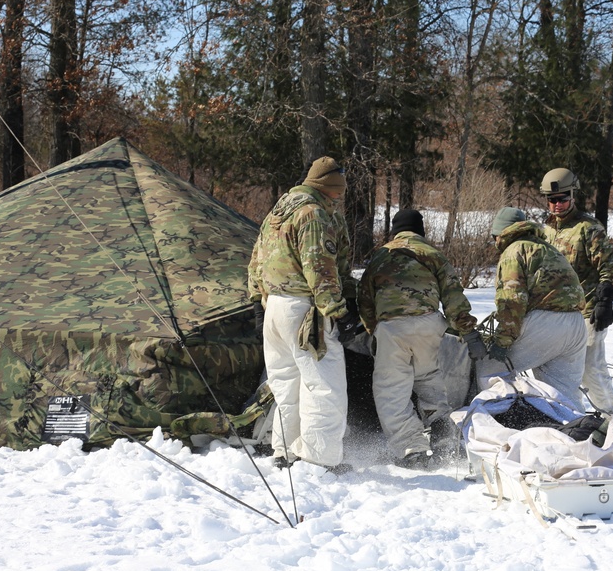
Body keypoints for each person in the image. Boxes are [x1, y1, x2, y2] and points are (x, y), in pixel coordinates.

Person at [247, 156, 361, 474]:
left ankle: (286, 452)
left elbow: (256, 259)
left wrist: (258, 303)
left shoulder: (277, 212)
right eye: (338, 192)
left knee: (286, 385)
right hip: (305, 310)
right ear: (331, 189)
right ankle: (317, 459)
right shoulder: (313, 213)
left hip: (274, 308)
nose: (339, 198)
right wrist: (339, 311)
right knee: (324, 385)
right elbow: (319, 267)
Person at [358, 209, 487, 470]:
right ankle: (442, 434)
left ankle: (411, 449)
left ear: (394, 231)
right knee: (428, 377)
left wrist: (373, 330)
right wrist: (467, 331)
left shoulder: (382, 255)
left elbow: (365, 299)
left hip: (392, 327)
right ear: (421, 231)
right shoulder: (433, 254)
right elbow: (453, 296)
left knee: (392, 390)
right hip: (429, 324)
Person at [477, 207, 588, 410]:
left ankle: (494, 424)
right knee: (563, 395)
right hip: (576, 325)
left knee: (490, 371)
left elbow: (512, 301)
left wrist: (502, 342)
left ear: (500, 233)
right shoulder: (548, 248)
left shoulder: (514, 251)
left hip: (545, 325)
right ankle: (577, 433)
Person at [539, 168, 613, 418]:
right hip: (556, 314)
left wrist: (606, 298)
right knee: (560, 371)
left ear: (573, 196)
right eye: (551, 200)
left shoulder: (588, 228)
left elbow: (608, 267)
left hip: (587, 311)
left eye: (562, 199)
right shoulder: (545, 231)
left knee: (591, 369)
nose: (556, 205)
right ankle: (570, 417)